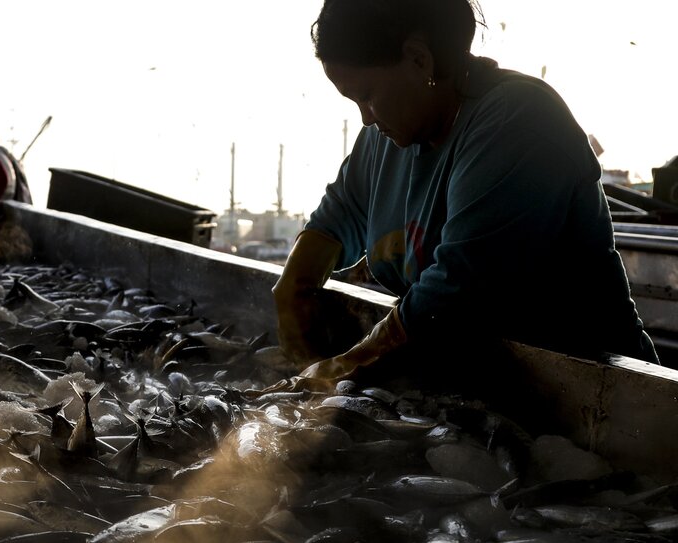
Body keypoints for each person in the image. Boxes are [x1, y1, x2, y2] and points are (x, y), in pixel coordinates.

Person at [273, 0, 658, 384]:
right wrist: (295, 287)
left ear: (419, 59)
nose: (365, 117)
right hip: (480, 381)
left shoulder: (519, 122)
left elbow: (459, 291)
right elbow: (340, 215)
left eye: (367, 95)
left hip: (593, 395)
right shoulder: (386, 138)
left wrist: (334, 374)